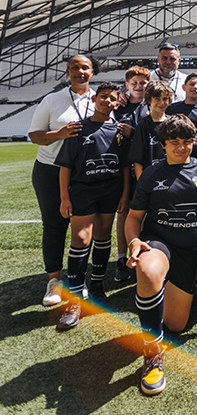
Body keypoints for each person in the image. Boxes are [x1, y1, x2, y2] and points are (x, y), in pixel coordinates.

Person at [125, 114, 197, 395]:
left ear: (195, 142)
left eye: (187, 141)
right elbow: (133, 218)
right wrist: (134, 241)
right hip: (158, 242)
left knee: (176, 325)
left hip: (190, 250)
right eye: (174, 142)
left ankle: (157, 292)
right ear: (163, 144)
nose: (181, 147)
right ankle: (153, 354)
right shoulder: (151, 174)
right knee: (148, 270)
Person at [54, 82, 131, 330]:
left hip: (110, 190)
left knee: (102, 237)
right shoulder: (79, 128)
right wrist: (65, 198)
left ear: (118, 103)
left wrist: (124, 195)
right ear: (95, 98)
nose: (108, 101)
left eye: (113, 99)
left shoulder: (120, 131)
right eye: (104, 97)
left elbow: (124, 168)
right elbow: (66, 167)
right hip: (83, 191)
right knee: (80, 238)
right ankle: (75, 298)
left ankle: (97, 287)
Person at [28, 54, 100, 307]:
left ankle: (78, 279)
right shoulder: (53, 99)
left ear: (93, 72)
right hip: (49, 170)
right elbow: (34, 136)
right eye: (74, 68)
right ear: (68, 71)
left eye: (85, 68)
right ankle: (54, 279)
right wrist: (58, 134)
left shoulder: (100, 101)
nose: (80, 72)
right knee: (55, 225)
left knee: (83, 230)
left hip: (84, 174)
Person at [113, 66, 151, 282]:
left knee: (144, 213)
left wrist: (133, 134)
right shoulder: (118, 106)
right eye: (134, 83)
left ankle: (142, 255)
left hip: (145, 168)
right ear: (127, 85)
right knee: (124, 211)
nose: (138, 86)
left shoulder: (151, 106)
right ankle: (121, 258)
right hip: (122, 167)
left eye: (142, 83)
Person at [128, 81, 174, 180]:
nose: (162, 103)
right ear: (149, 100)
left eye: (165, 99)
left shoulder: (173, 123)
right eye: (157, 99)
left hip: (171, 176)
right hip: (150, 178)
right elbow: (137, 160)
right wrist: (142, 184)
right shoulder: (143, 125)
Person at [166, 72, 197, 159]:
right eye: (192, 84)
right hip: (177, 154)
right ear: (184, 87)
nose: (195, 87)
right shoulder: (172, 109)